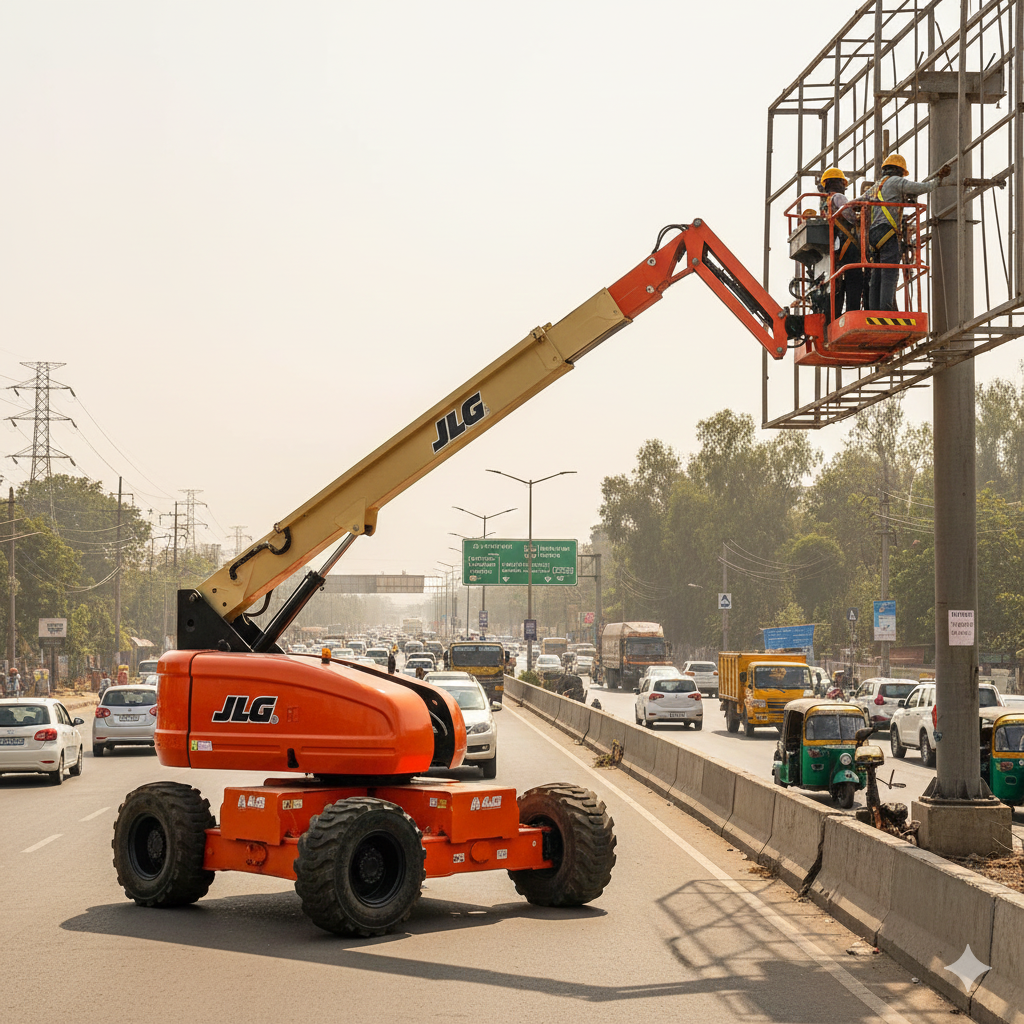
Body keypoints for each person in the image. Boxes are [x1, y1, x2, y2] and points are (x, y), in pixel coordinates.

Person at [867, 153, 951, 310]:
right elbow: (922, 188)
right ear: (899, 171)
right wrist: (938, 179)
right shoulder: (896, 182)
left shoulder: (875, 187)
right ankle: (886, 311)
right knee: (889, 274)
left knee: (876, 275)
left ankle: (873, 310)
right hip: (887, 233)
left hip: (873, 235)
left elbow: (857, 202)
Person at [819, 167, 862, 317]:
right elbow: (851, 217)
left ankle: (834, 315)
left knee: (838, 281)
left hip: (836, 247)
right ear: (840, 184)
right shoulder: (838, 197)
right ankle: (853, 312)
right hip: (847, 244)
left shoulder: (825, 203)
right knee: (855, 277)